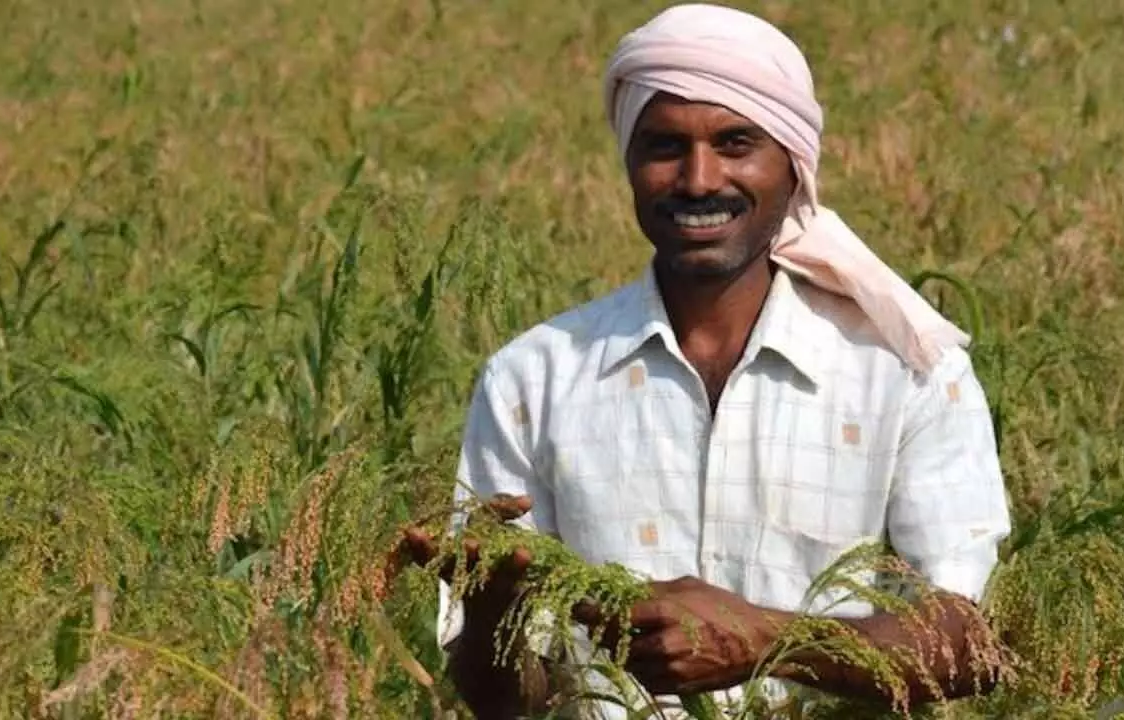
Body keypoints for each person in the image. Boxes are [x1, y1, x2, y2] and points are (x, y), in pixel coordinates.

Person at [403, 3, 1013, 718]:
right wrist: (491, 610)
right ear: (630, 162)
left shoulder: (904, 372)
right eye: (663, 146)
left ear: (793, 163)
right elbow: (507, 701)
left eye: (735, 143)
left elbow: (971, 643)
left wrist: (766, 639)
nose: (698, 179)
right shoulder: (533, 379)